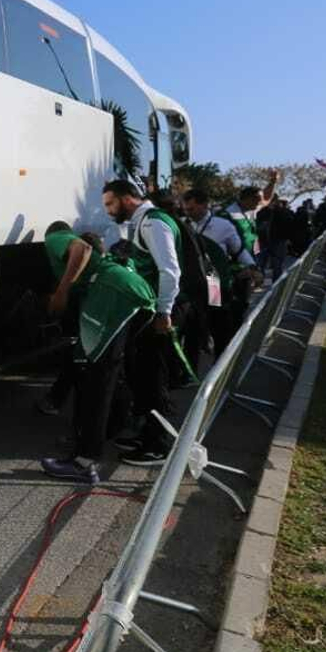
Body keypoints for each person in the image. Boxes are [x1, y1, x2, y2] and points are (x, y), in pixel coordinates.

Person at [38, 221, 155, 484]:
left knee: (96, 381)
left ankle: (85, 462)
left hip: (116, 296)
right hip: (128, 295)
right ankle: (99, 436)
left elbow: (81, 249)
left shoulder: (55, 236)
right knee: (108, 376)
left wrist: (61, 292)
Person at [102, 179, 187, 466]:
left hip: (160, 312)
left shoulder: (152, 223)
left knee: (153, 378)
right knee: (144, 375)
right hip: (154, 309)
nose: (108, 211)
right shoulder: (142, 222)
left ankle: (157, 446)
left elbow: (169, 270)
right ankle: (148, 436)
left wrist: (163, 312)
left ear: (127, 199)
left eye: (110, 204)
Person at [182, 188, 260, 358]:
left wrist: (253, 268)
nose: (188, 213)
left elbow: (239, 251)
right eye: (186, 209)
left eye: (192, 209)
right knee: (192, 328)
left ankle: (220, 362)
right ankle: (189, 374)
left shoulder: (223, 226)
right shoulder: (183, 225)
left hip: (214, 282)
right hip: (191, 285)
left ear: (204, 205)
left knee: (218, 324)